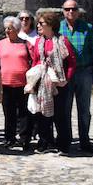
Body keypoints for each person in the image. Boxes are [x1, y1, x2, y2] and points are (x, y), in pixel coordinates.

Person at [29, 10, 76, 154]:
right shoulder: (39, 42)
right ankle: (45, 142)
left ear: (50, 24)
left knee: (61, 115)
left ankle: (63, 145)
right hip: (43, 82)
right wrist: (32, 80)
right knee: (43, 114)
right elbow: (36, 61)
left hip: (59, 83)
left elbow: (72, 62)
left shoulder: (62, 41)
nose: (38, 26)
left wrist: (65, 80)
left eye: (41, 23)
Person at [60, 0, 93, 154]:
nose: (71, 12)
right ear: (63, 11)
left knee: (84, 109)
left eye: (74, 9)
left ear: (78, 11)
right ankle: (67, 141)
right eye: (68, 9)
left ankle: (85, 140)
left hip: (83, 72)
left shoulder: (87, 28)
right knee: (65, 109)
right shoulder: (59, 28)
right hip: (65, 73)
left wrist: (89, 65)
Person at [0, 16, 33, 151]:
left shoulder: (25, 43)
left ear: (17, 30)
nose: (7, 31)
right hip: (6, 83)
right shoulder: (0, 44)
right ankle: (9, 138)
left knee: (24, 113)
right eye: (6, 28)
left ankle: (24, 139)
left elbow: (32, 61)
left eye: (10, 28)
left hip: (23, 83)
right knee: (8, 113)